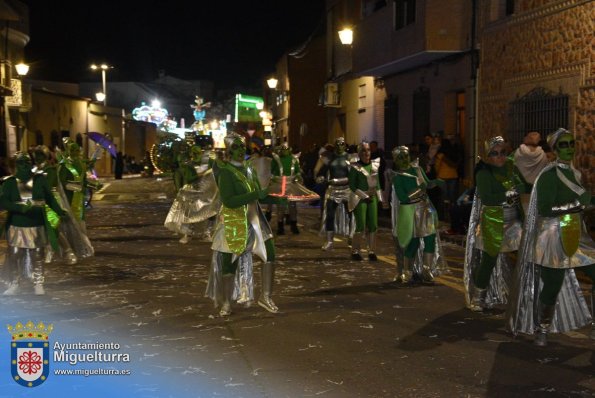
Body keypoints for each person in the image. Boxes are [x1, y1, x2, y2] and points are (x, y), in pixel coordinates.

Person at [507, 128, 594, 346]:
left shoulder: (575, 174)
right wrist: (578, 204)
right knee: (553, 285)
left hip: (575, 231)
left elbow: (580, 205)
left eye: (572, 143)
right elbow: (545, 208)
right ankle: (542, 327)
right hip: (552, 234)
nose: (569, 148)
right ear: (554, 149)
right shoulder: (547, 175)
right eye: (563, 145)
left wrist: (586, 206)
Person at [205, 133, 278, 316]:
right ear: (229, 150)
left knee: (269, 254)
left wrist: (281, 190)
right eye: (235, 147)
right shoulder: (225, 172)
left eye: (242, 146)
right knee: (229, 262)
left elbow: (259, 193)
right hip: (233, 221)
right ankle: (226, 302)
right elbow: (229, 200)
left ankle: (266, 297)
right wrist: (257, 195)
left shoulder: (249, 168)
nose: (240, 150)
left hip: (255, 220)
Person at [464, 136, 525, 312]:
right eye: (494, 153)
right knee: (489, 259)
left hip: (514, 221)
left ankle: (525, 293)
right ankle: (478, 297)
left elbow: (525, 186)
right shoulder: (483, 172)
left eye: (503, 152)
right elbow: (488, 198)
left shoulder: (511, 167)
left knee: (527, 252)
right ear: (488, 156)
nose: (499, 157)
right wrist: (509, 193)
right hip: (493, 220)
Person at [1, 152, 65, 295]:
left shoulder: (40, 180)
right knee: (15, 254)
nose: (25, 165)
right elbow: (3, 201)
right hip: (17, 225)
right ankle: (14, 283)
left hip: (36, 224)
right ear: (15, 165)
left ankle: (38, 283)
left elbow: (49, 198)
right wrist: (19, 208)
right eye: (21, 162)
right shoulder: (10, 182)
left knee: (37, 254)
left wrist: (59, 211)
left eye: (27, 162)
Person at [389, 146, 446, 283]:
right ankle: (407, 272)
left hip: (426, 209)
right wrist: (419, 190)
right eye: (400, 157)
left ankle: (426, 270)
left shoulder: (417, 170)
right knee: (413, 242)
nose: (404, 159)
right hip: (411, 211)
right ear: (396, 161)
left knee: (430, 239)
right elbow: (403, 198)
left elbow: (427, 184)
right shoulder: (398, 178)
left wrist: (436, 182)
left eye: (405, 156)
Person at [32, 145, 93, 265]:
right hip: (37, 203)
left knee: (54, 228)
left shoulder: (50, 170)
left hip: (51, 202)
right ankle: (43, 253)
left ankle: (68, 251)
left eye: (40, 155)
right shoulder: (34, 170)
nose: (38, 158)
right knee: (38, 229)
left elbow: (48, 188)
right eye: (36, 155)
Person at [348, 141, 383, 261]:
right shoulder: (355, 167)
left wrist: (381, 199)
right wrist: (364, 196)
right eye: (363, 150)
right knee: (361, 224)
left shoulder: (374, 165)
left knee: (373, 225)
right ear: (359, 153)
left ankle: (372, 251)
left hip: (372, 197)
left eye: (368, 150)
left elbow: (377, 183)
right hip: (360, 198)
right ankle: (355, 251)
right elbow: (352, 185)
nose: (366, 153)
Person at [316, 138, 353, 250]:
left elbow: (353, 175)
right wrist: (320, 178)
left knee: (352, 214)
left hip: (347, 189)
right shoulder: (330, 158)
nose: (339, 146)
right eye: (337, 144)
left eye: (342, 144)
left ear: (345, 145)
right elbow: (322, 171)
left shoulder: (350, 158)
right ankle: (329, 241)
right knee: (329, 215)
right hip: (332, 190)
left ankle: (352, 237)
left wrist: (340, 181)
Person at [512, 131, 551, 212]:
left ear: (526, 139)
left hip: (520, 193)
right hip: (536, 193)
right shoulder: (543, 155)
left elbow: (512, 168)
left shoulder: (518, 153)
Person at [270, 143, 302, 235]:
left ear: (289, 150)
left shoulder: (294, 159)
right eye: (283, 149)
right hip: (280, 184)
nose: (284, 151)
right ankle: (280, 226)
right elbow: (271, 171)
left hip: (291, 184)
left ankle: (294, 225)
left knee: (292, 206)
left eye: (286, 149)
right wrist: (273, 180)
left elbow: (297, 171)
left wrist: (298, 177)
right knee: (281, 206)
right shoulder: (276, 159)